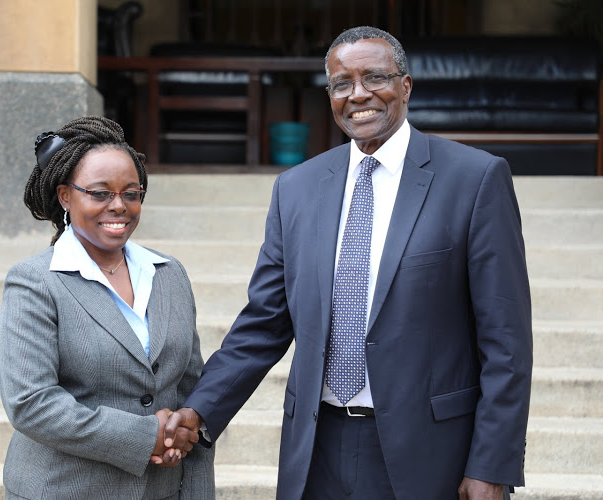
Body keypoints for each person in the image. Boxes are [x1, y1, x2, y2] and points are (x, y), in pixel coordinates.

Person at [164, 26, 532, 500]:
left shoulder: (475, 179)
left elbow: (506, 341)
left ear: (406, 85)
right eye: (342, 84)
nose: (358, 94)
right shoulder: (296, 188)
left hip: (430, 451)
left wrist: (492, 463)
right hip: (316, 448)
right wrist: (199, 411)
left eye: (374, 77)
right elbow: (264, 324)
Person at [0, 116, 215, 500]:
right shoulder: (35, 281)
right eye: (100, 193)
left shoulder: (168, 273)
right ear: (66, 196)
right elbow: (30, 403)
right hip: (66, 489)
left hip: (161, 490)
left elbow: (188, 387)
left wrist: (186, 438)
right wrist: (146, 435)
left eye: (131, 193)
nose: (120, 206)